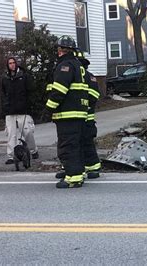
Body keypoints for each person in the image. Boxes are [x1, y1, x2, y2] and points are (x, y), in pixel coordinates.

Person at [45, 35, 89, 189]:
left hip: (68, 113)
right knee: (76, 144)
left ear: (60, 50)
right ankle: (78, 172)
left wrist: (49, 108)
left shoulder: (65, 65)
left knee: (68, 146)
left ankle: (73, 178)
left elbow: (59, 90)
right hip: (78, 112)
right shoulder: (77, 65)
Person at [55, 51, 101, 180]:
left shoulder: (89, 77)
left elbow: (94, 96)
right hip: (78, 115)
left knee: (84, 143)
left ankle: (92, 168)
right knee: (77, 143)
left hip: (85, 117)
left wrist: (81, 104)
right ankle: (73, 168)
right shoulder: (76, 75)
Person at [1, 57, 39, 164]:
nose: (12, 65)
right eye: (10, 63)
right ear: (7, 65)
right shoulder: (5, 78)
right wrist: (4, 107)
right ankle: (11, 156)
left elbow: (31, 91)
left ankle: (33, 150)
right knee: (11, 134)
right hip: (10, 111)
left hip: (23, 110)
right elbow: (3, 94)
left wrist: (29, 106)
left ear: (16, 64)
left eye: (13, 63)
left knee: (27, 132)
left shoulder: (25, 76)